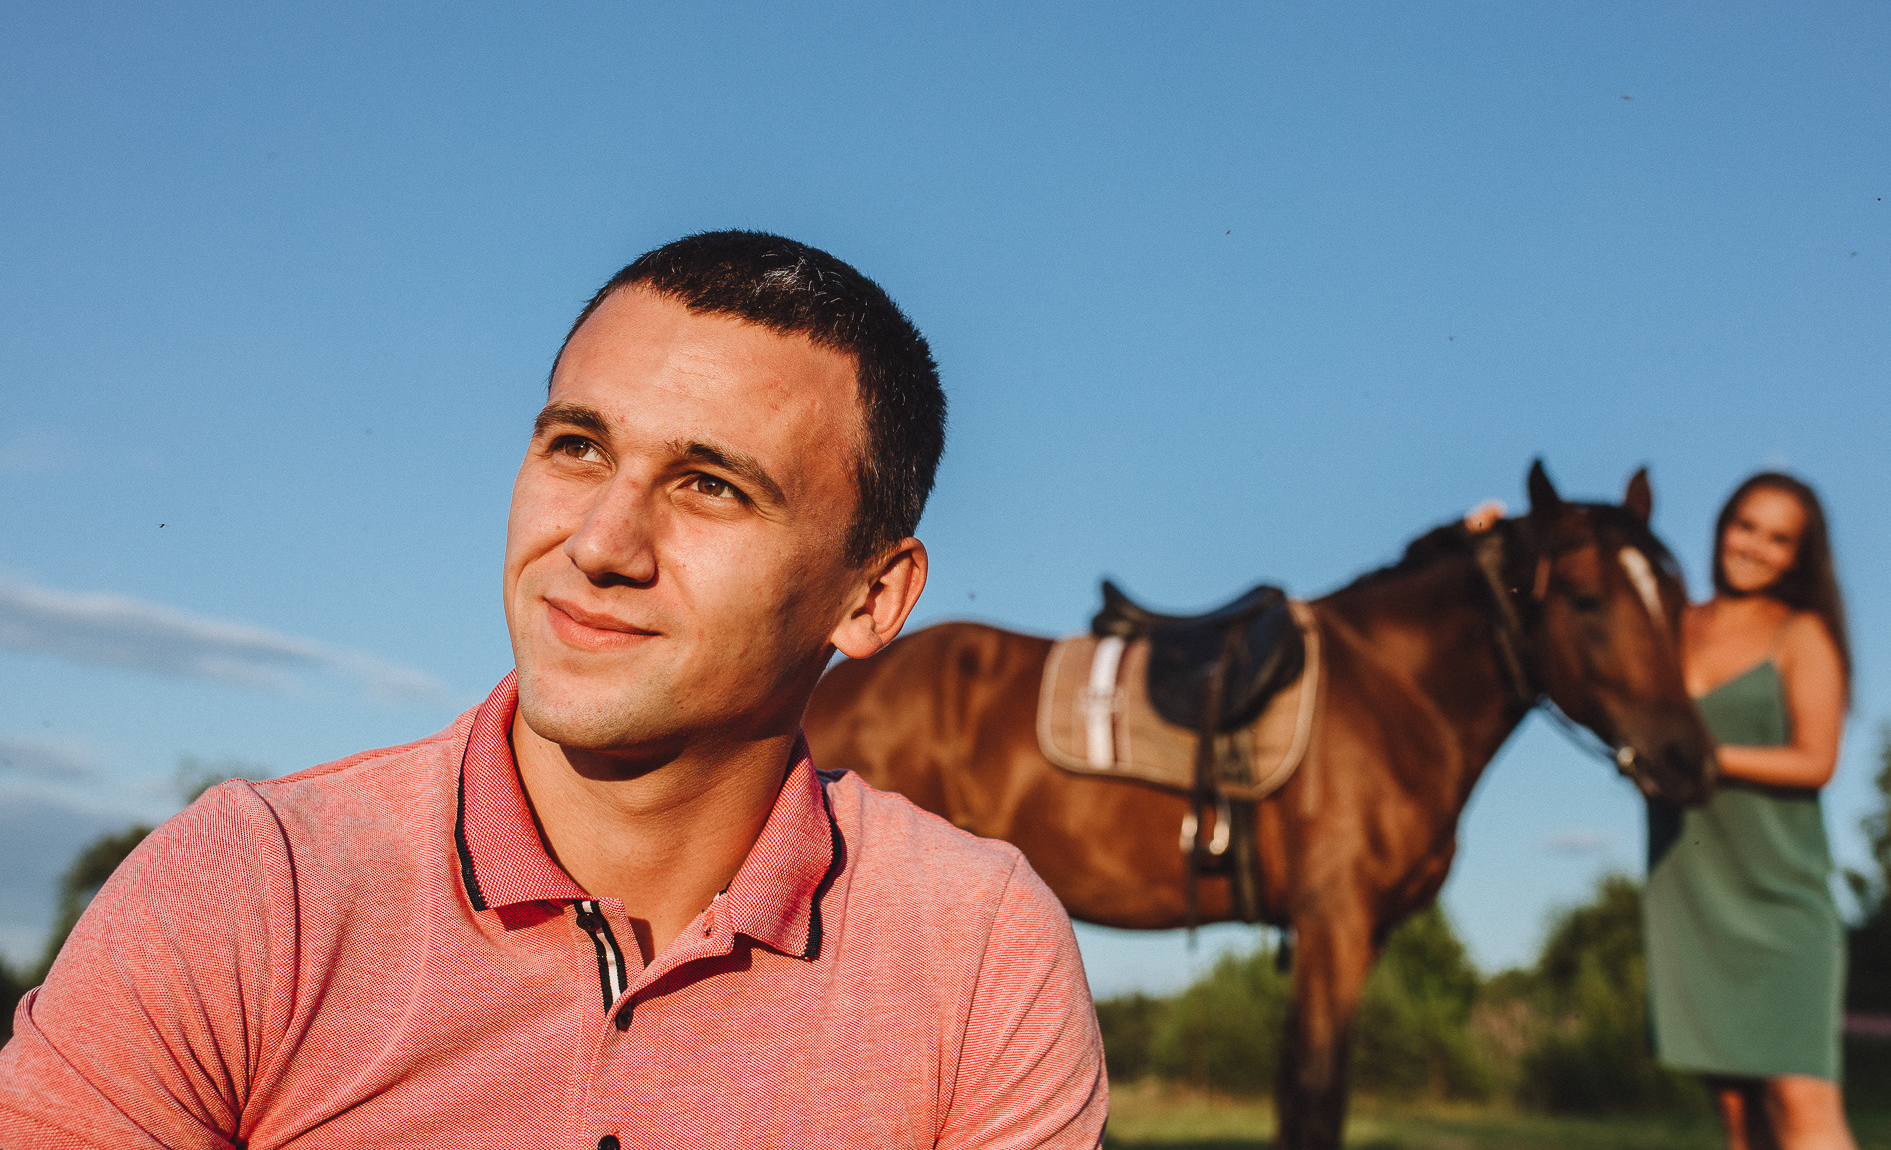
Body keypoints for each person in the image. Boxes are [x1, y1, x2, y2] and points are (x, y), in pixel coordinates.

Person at [0, 231, 1109, 1148]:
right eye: (577, 447)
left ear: (870, 596)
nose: (599, 542)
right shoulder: (254, 891)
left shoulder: (973, 948)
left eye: (708, 484)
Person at [1645, 472, 1856, 1150]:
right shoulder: (1673, 623)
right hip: (1693, 890)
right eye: (1746, 525)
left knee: (1802, 1099)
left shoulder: (1802, 633)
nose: (1756, 547)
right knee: (1739, 1114)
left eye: (1779, 537)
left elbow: (1816, 759)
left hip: (1780, 894)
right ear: (1721, 526)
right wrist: (1483, 538)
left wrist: (1708, 756)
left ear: (1799, 555)